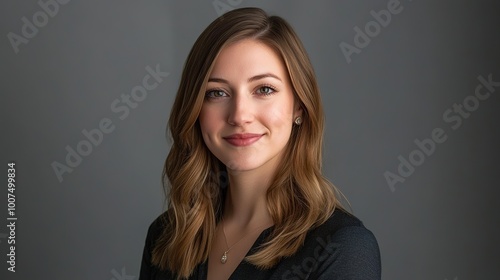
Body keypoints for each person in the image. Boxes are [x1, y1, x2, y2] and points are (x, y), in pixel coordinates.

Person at [139, 7, 380, 280]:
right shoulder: (166, 237)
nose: (240, 115)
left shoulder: (342, 247)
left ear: (299, 106)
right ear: (195, 110)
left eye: (264, 89)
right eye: (216, 93)